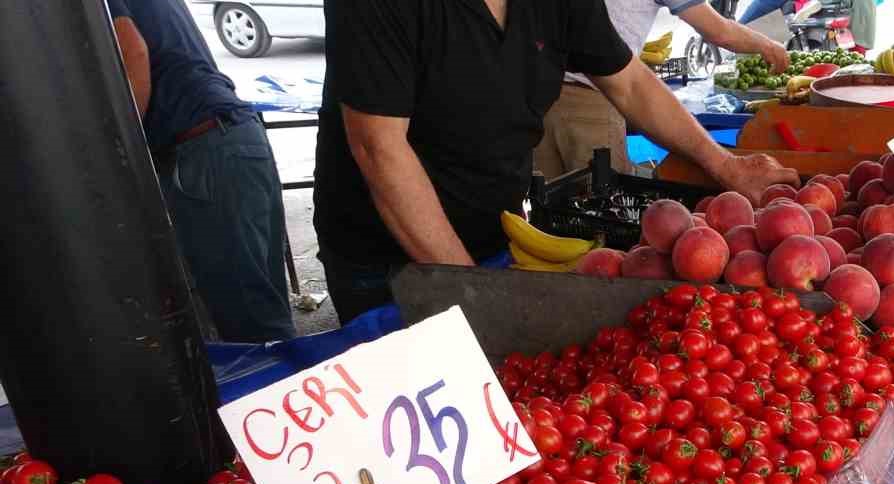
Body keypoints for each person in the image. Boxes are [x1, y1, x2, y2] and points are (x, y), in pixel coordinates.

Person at [313, 0, 798, 324]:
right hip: (382, 257)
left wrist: (726, 166)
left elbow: (627, 81)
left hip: (490, 232)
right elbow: (380, 149)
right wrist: (469, 294)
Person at [106, 0, 295, 343]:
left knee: (250, 325)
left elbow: (133, 51)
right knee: (263, 308)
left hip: (204, 150)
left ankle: (270, 389)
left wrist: (117, 154)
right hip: (237, 137)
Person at [536, 0, 789, 178]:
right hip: (593, 96)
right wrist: (768, 46)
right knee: (600, 214)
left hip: (539, 92)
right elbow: (719, 31)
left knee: (546, 213)